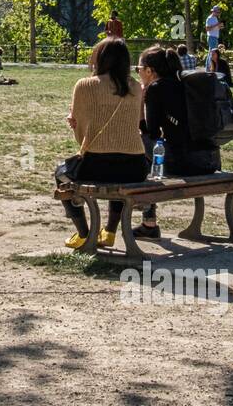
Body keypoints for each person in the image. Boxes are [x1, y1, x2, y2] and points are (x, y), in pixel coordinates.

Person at [57, 37, 147, 250]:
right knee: (119, 181)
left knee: (61, 173)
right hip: (136, 165)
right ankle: (110, 231)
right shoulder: (136, 87)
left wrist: (76, 126)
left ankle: (83, 233)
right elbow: (132, 124)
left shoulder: (86, 85)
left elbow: (81, 136)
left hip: (97, 164)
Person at [134, 45, 221, 238]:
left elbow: (150, 131)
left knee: (138, 145)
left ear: (149, 71)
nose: (138, 72)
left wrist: (140, 101)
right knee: (148, 157)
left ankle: (148, 220)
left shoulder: (157, 88)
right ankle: (148, 221)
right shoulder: (186, 84)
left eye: (138, 69)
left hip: (185, 163)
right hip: (209, 160)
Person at [204, 6, 223, 70]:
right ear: (214, 11)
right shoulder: (209, 18)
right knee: (212, 53)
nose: (218, 13)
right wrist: (216, 25)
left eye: (219, 12)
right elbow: (207, 29)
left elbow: (215, 27)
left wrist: (219, 27)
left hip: (215, 37)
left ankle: (208, 68)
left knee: (211, 53)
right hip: (211, 37)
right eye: (217, 12)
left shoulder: (215, 18)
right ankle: (208, 68)